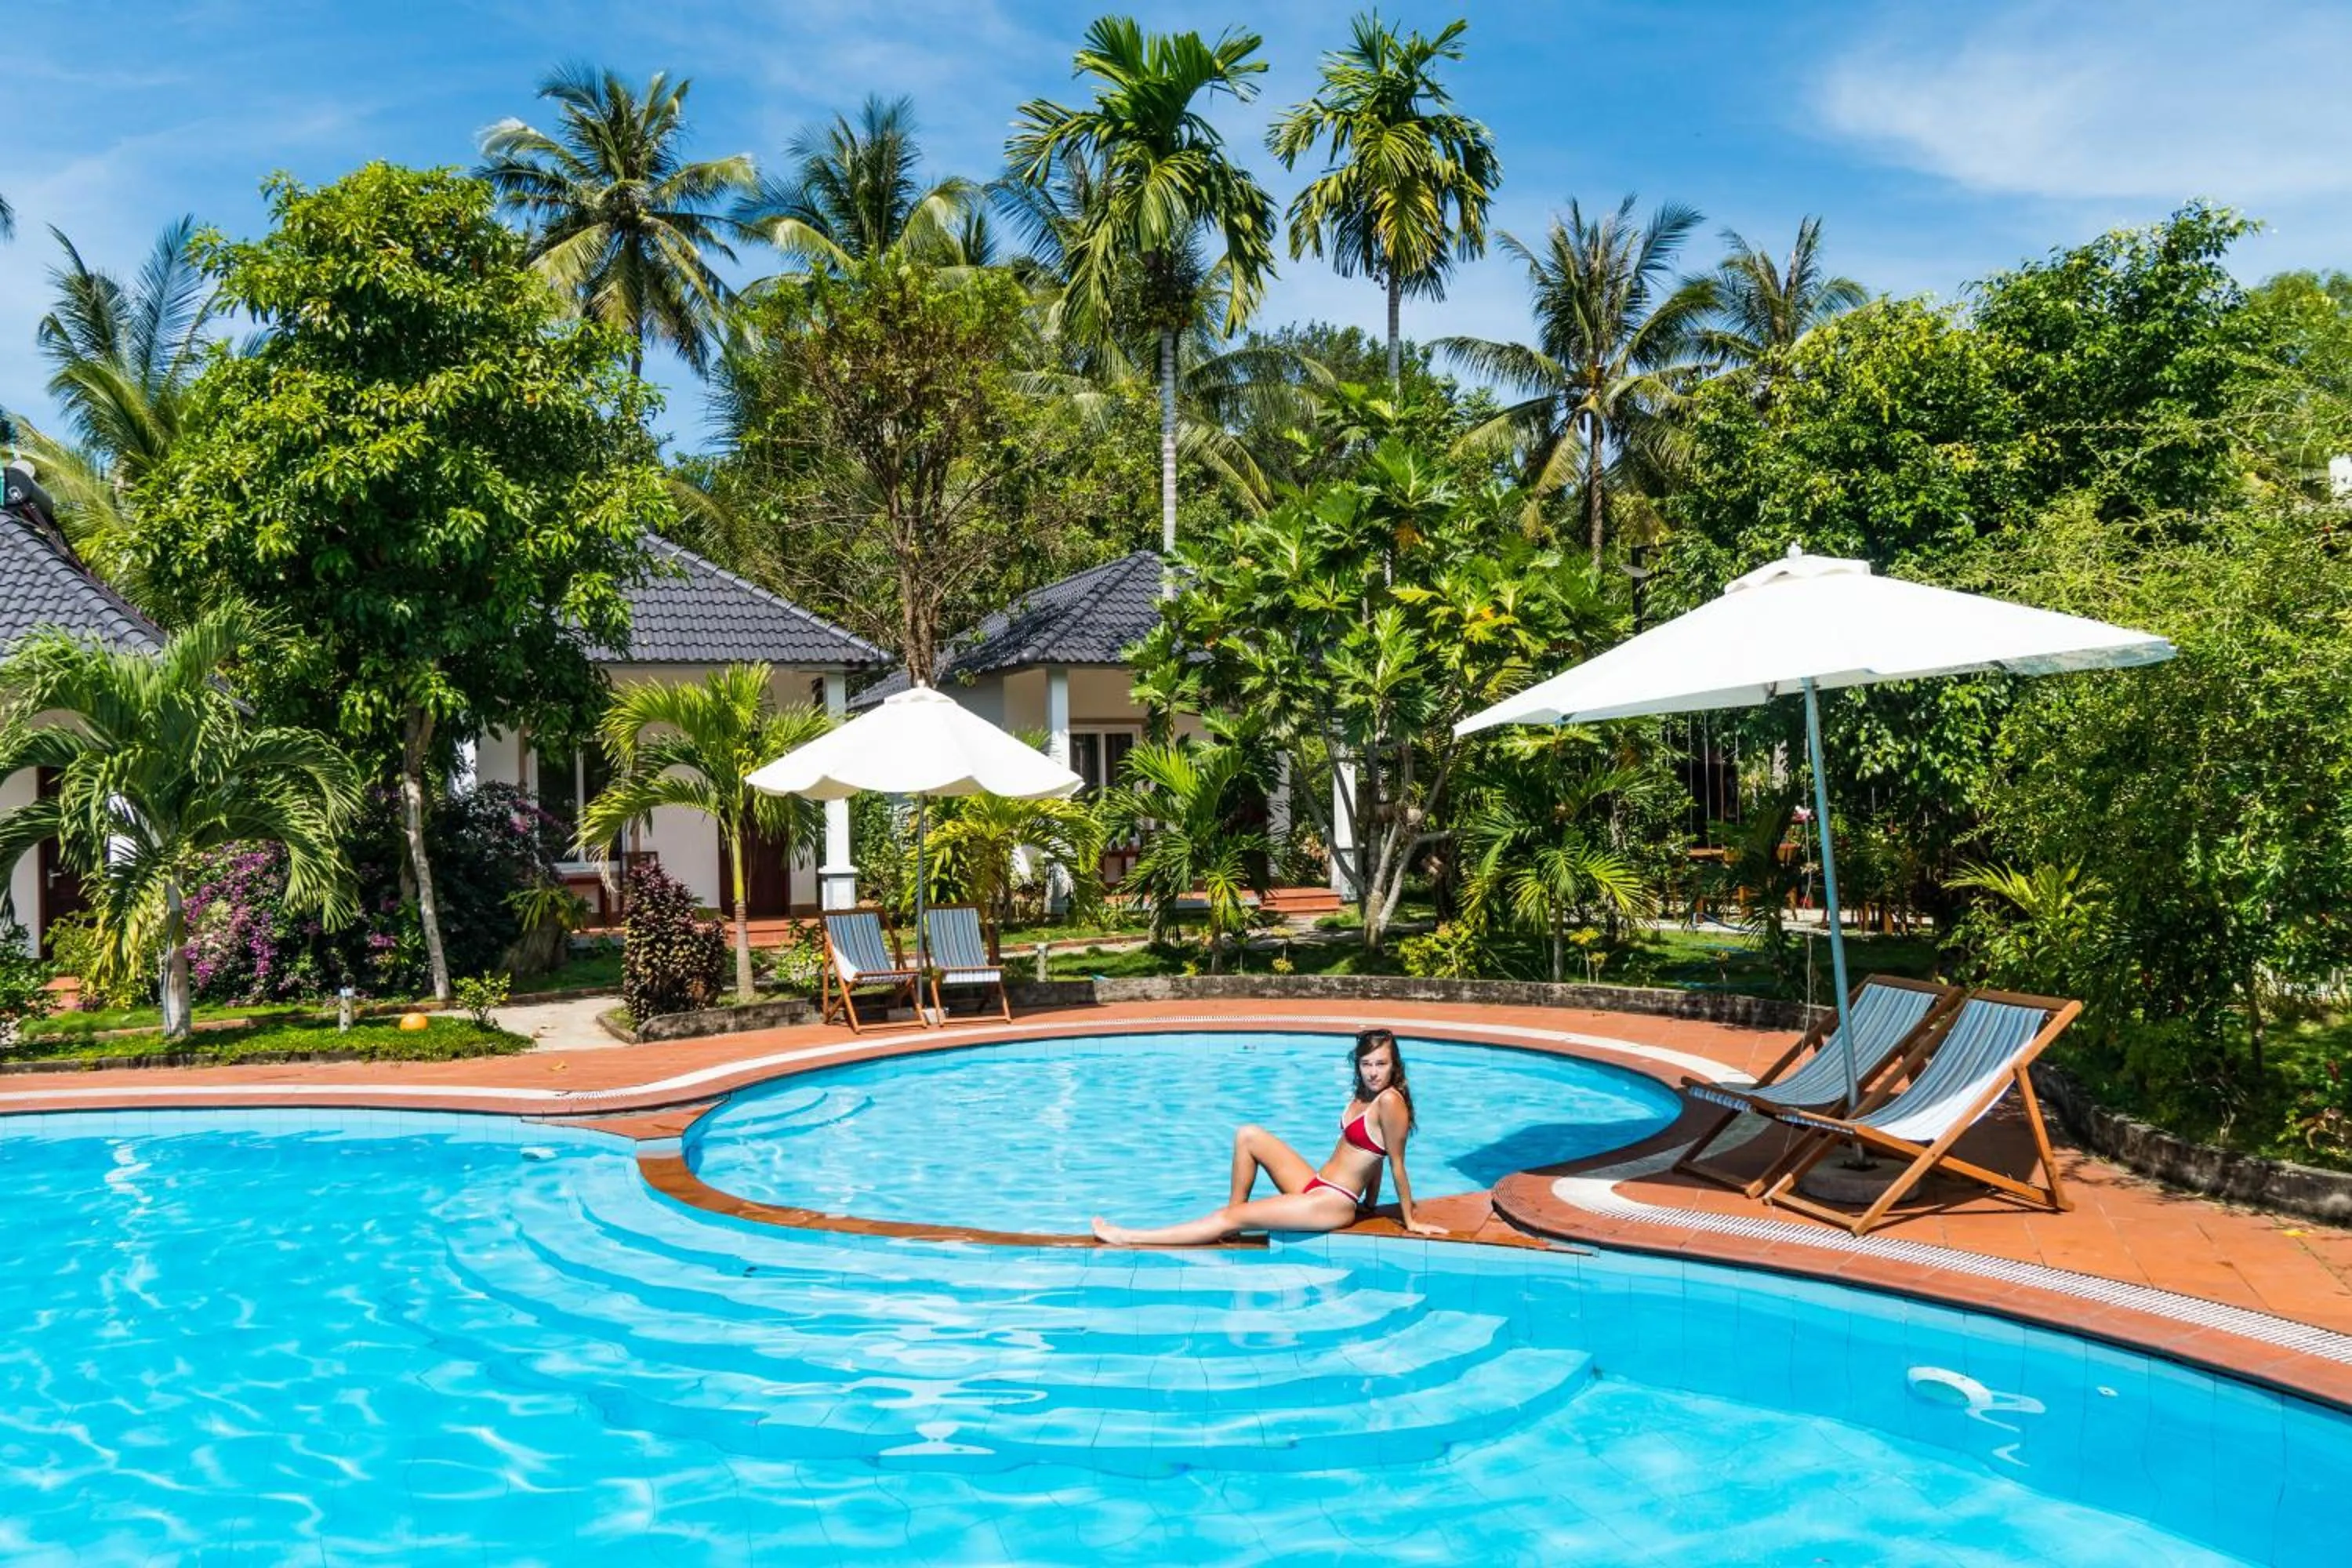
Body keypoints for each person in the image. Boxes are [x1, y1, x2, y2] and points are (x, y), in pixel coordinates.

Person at [1090, 1028, 1448, 1247]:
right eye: (1366, 1064)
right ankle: (1233, 1220)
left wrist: (1410, 1220)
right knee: (1248, 1135)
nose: (1373, 1072)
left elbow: (1395, 1162)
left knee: (1229, 1215)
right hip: (1317, 1185)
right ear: (1357, 1064)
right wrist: (1370, 1203)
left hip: (1333, 1203)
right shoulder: (1364, 1097)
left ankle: (1133, 1236)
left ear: (1394, 1065)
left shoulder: (1389, 1101)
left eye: (1381, 1064)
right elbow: (1374, 1156)